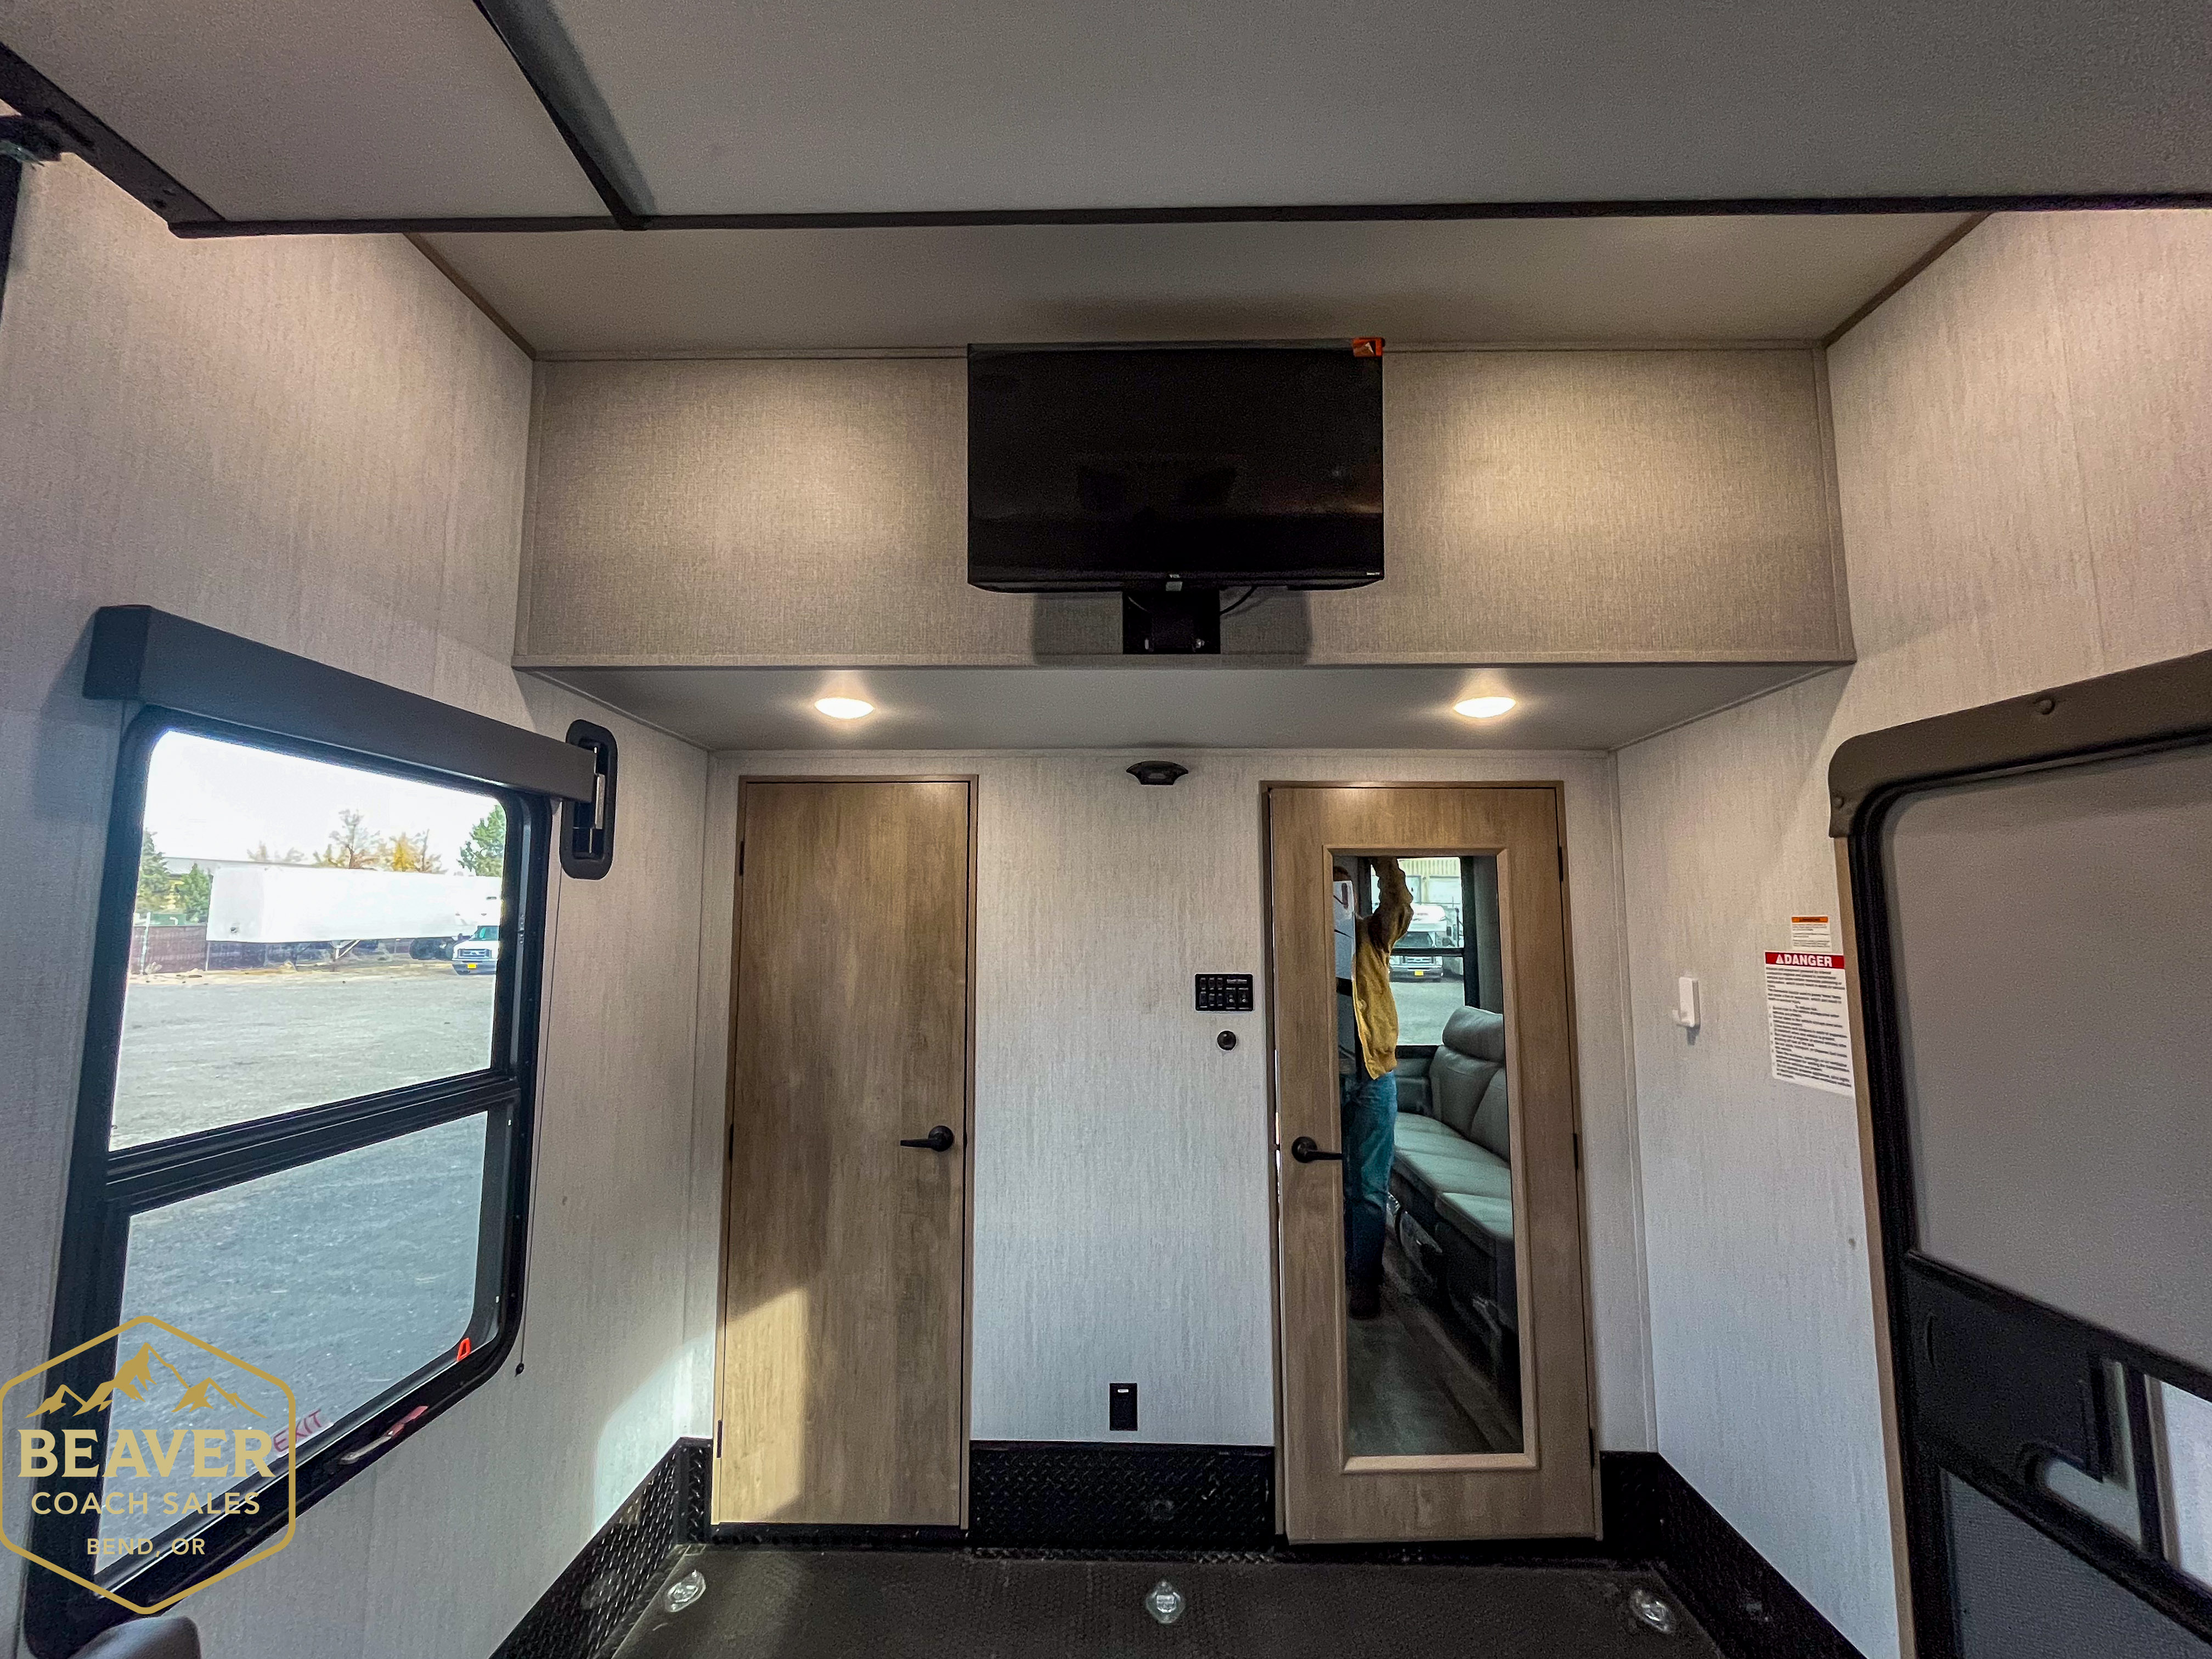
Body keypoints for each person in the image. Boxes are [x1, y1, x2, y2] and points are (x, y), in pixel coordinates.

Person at [1335, 856, 1412, 1320]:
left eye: (1342, 893)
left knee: (1368, 1185)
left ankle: (1364, 1278)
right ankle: (1335, 1267)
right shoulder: (1300, 938)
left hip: (1374, 1073)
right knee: (1327, 1179)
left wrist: (1384, 857)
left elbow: (1399, 904)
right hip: (1322, 1075)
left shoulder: (1372, 935)